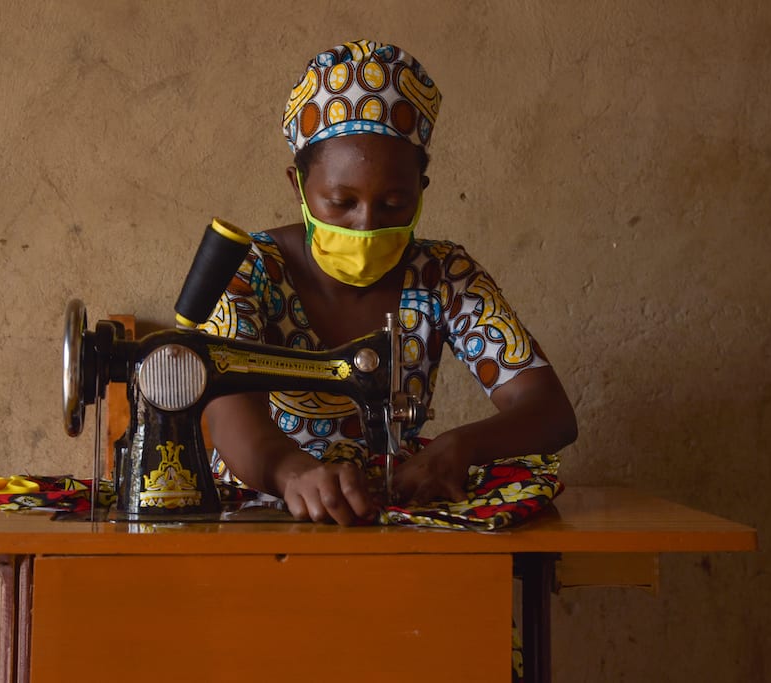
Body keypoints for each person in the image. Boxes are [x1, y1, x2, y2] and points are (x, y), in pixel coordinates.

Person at [201, 39, 577, 528]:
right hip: (259, 517)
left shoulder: (443, 276)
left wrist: (459, 445)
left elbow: (548, 410)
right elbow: (228, 412)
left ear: (420, 192)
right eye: (341, 202)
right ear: (298, 186)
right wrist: (292, 471)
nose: (366, 225)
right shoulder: (248, 270)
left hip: (387, 515)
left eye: (394, 205)